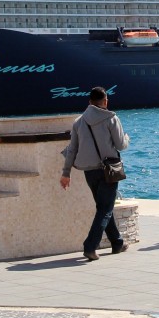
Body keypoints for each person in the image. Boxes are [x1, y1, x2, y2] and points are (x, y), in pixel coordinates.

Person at [60, 86, 130, 261]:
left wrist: (66, 173)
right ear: (105, 101)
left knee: (103, 207)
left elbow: (72, 150)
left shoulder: (79, 122)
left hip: (89, 171)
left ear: (89, 102)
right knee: (105, 208)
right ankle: (90, 246)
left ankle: (117, 242)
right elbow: (120, 145)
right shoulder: (111, 118)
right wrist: (126, 138)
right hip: (108, 170)